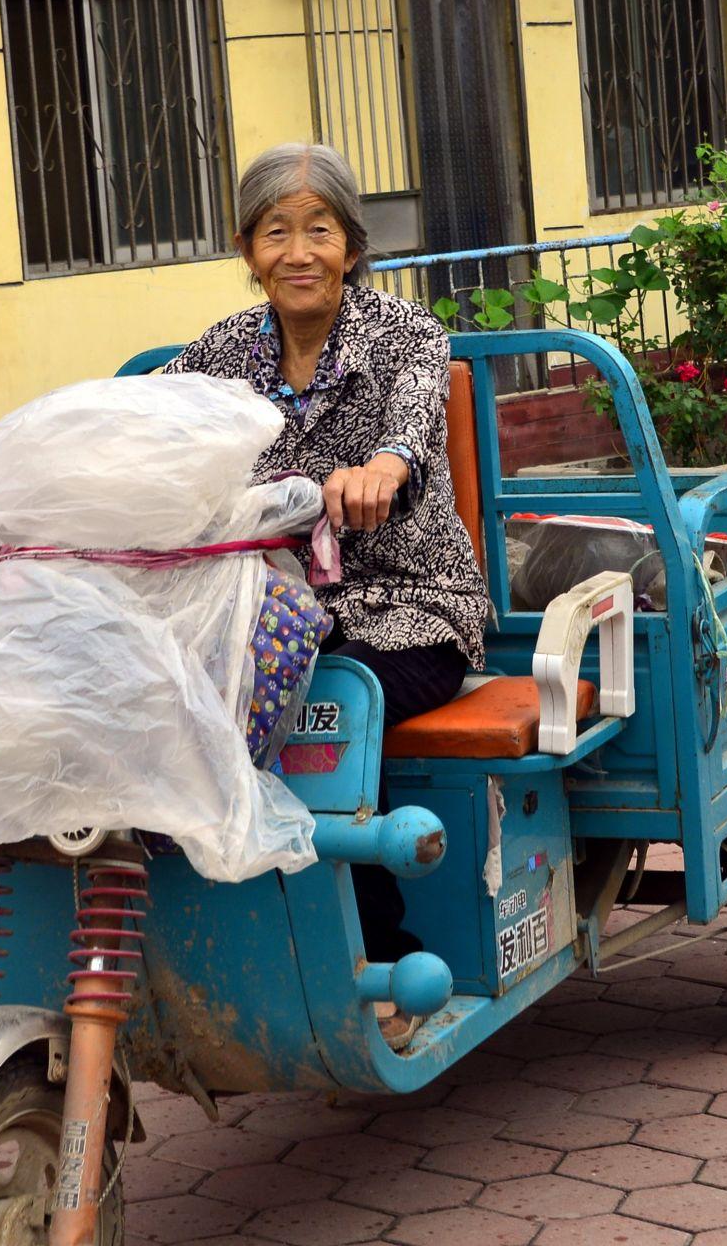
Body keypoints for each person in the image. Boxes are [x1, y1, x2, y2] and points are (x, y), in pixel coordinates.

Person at [166, 143, 490, 1000]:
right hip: (267, 607)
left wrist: (380, 469)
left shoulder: (407, 335)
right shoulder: (223, 350)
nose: (298, 253)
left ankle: (375, 961)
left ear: (352, 245)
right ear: (247, 251)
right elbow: (145, 420)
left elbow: (411, 431)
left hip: (406, 606)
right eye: (276, 232)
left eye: (319, 230)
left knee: (331, 702)